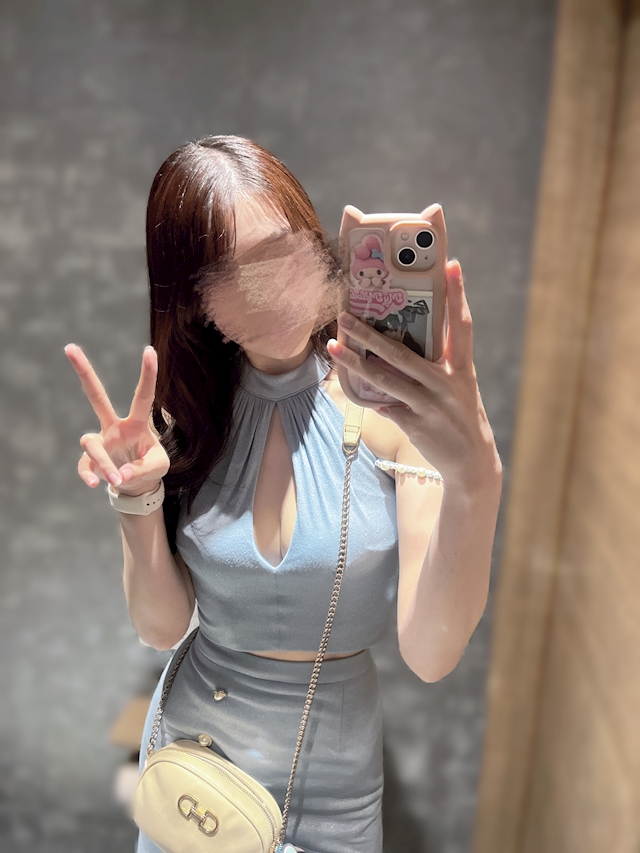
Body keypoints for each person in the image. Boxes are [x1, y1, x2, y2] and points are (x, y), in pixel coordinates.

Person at [65, 135, 503, 853]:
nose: (269, 290)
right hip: (196, 766)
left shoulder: (392, 419)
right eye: (230, 275)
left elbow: (431, 652)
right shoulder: (189, 419)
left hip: (333, 778)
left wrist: (476, 480)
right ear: (193, 300)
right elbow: (161, 626)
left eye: (282, 253)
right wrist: (136, 501)